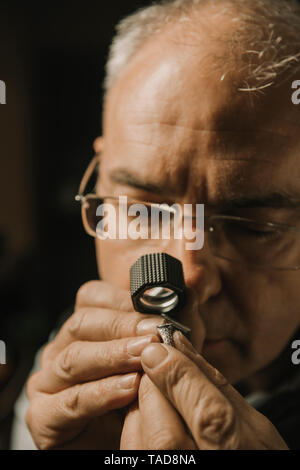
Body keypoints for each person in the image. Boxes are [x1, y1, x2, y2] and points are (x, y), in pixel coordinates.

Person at [11, 0, 300, 450]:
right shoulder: (64, 368)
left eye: (254, 225)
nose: (186, 273)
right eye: (142, 207)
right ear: (100, 176)